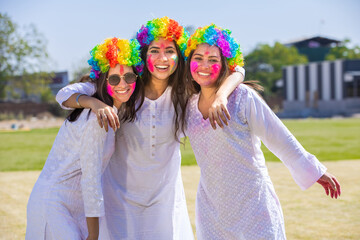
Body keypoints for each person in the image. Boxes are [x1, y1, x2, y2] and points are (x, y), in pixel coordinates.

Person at [55, 17, 245, 239]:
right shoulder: (126, 87)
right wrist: (94, 103)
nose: (162, 58)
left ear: (180, 56)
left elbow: (237, 69)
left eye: (170, 51)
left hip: (164, 205)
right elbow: (63, 95)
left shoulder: (185, 93)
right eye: (154, 50)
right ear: (143, 55)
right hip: (119, 203)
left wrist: (221, 95)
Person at [184, 24, 341, 240]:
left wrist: (314, 170)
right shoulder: (188, 107)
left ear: (225, 65)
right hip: (212, 209)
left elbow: (276, 135)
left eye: (213, 60)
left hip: (253, 203)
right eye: (198, 58)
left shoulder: (242, 97)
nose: (204, 65)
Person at [26, 37, 143, 240]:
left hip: (73, 206)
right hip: (54, 204)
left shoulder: (112, 108)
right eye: (114, 79)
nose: (123, 84)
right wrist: (94, 235)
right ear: (103, 81)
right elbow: (91, 181)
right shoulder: (97, 116)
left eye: (129, 77)